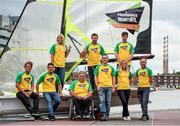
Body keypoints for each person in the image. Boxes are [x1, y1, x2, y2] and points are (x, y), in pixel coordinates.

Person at [94, 54, 116, 121]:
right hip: (101, 87)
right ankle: (103, 114)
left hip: (109, 87)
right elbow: (95, 76)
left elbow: (113, 77)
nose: (105, 59)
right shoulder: (98, 67)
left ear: (107, 59)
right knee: (102, 101)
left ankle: (107, 115)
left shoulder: (111, 68)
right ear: (101, 59)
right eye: (103, 58)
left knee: (108, 102)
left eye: (106, 58)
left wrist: (113, 87)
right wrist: (97, 85)